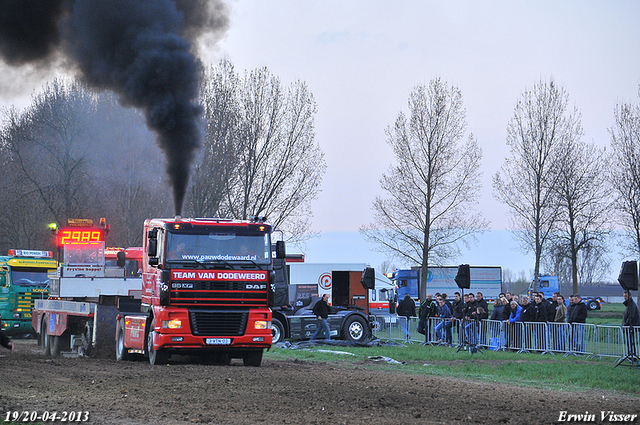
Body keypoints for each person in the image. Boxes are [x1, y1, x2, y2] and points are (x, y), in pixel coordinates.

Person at [622, 290, 640, 359]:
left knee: (631, 342)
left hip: (630, 327)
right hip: (628, 327)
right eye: (624, 296)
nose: (625, 298)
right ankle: (630, 355)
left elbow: (631, 317)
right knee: (629, 341)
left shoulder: (632, 305)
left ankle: (632, 355)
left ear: (630, 296)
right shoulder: (629, 305)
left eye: (626, 296)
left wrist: (625, 325)